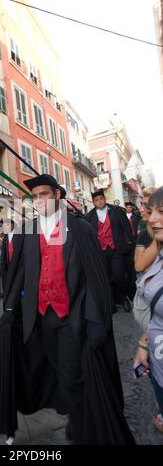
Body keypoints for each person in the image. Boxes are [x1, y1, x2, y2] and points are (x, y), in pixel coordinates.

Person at [0, 174, 135, 445]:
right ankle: (72, 412)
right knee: (52, 369)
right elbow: (18, 272)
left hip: (71, 317)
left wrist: (97, 319)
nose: (39, 199)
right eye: (35, 196)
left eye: (44, 194)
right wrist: (8, 309)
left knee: (72, 376)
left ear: (56, 196)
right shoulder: (27, 231)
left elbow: (95, 277)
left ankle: (80, 429)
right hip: (40, 319)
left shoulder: (79, 229)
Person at [133, 186, 163, 434]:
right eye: (149, 209)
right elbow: (139, 265)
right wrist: (144, 343)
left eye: (160, 211)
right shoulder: (153, 239)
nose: (151, 217)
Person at [86, 189, 133, 312]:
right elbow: (88, 235)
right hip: (100, 252)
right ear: (93, 202)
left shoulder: (117, 211)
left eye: (101, 199)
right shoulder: (89, 216)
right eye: (96, 200)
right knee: (105, 278)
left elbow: (127, 228)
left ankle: (124, 297)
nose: (99, 201)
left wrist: (128, 243)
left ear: (105, 199)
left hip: (116, 249)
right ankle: (110, 302)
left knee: (119, 276)